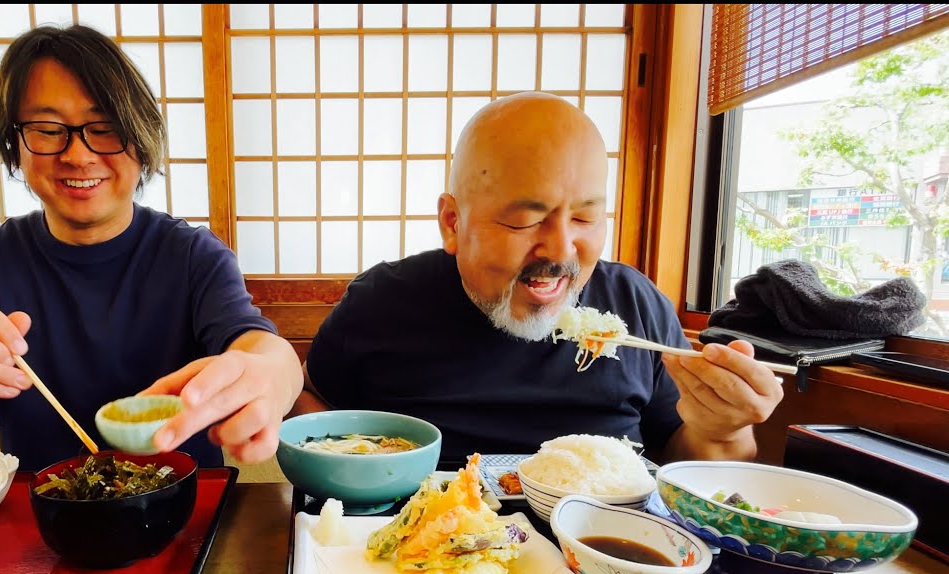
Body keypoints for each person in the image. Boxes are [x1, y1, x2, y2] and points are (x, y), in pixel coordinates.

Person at [0, 24, 302, 472]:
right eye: (47, 129)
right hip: (42, 507)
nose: (77, 155)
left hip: (186, 503)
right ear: (15, 145)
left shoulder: (192, 256)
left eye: (105, 127)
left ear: (142, 138)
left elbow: (264, 350)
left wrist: (270, 376)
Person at [295, 92, 783, 465]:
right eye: (524, 221)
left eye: (585, 218)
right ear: (453, 222)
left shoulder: (636, 305)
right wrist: (348, 466)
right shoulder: (382, 302)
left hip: (599, 552)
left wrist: (723, 430)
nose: (562, 249)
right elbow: (309, 401)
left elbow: (686, 465)